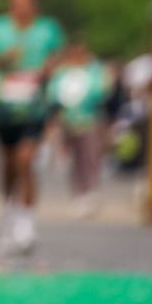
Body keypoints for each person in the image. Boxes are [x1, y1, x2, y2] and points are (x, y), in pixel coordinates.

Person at [0, 0, 64, 255]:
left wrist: (48, 69)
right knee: (9, 164)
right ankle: (9, 217)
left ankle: (26, 226)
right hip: (5, 104)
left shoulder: (48, 29)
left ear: (34, 1)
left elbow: (60, 58)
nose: (22, 3)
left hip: (34, 105)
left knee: (26, 160)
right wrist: (4, 58)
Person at [49, 35, 113, 214]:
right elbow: (53, 93)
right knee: (75, 159)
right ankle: (78, 193)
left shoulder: (94, 69)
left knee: (90, 156)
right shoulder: (62, 71)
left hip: (89, 119)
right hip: (68, 120)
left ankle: (91, 191)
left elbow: (102, 90)